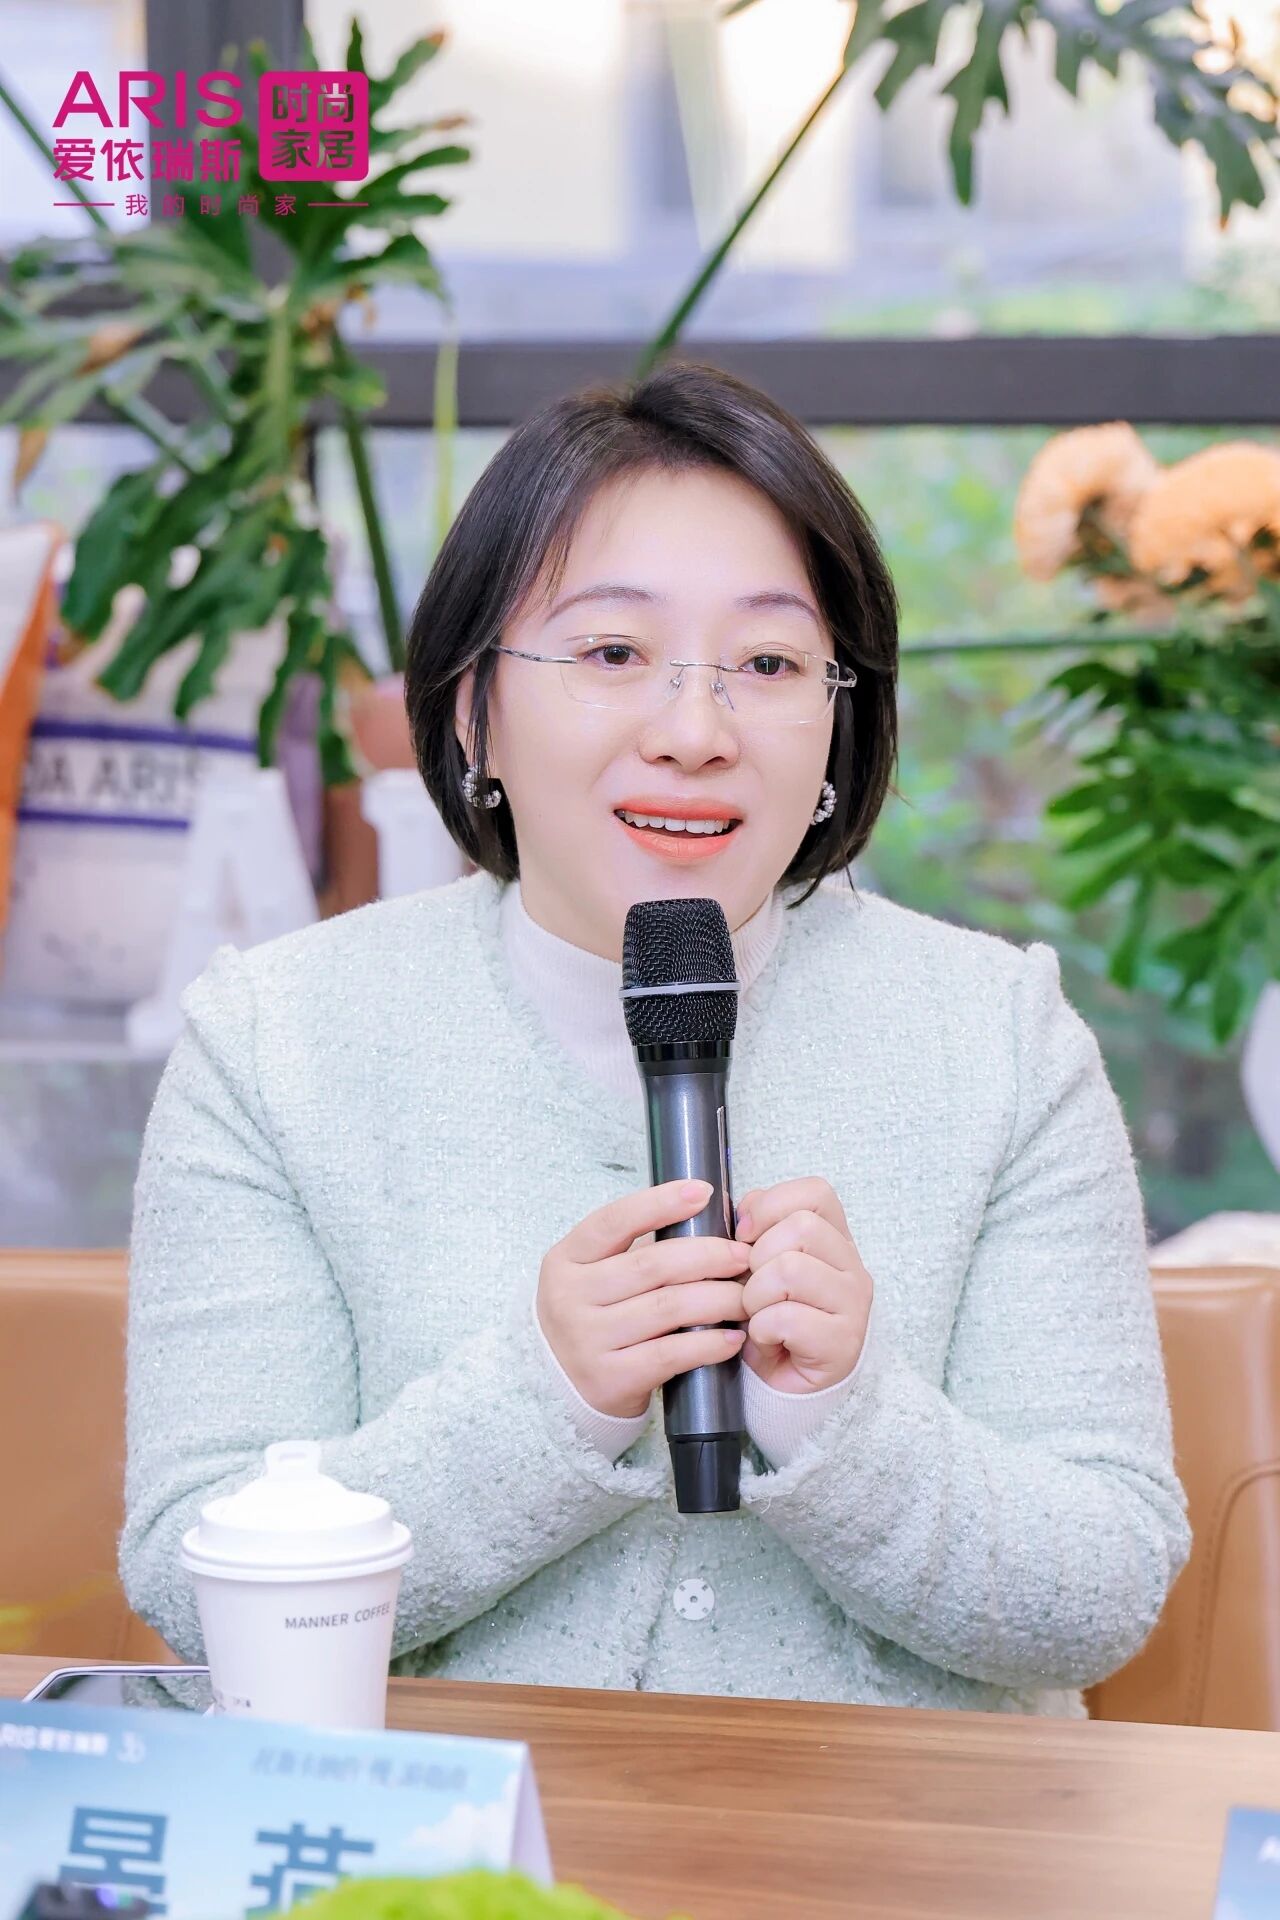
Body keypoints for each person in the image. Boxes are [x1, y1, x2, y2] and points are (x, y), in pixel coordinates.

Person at [120, 361, 1190, 1715]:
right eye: (613, 654)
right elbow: (194, 1583)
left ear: (837, 724)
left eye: (768, 664)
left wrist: (843, 1420)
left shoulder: (1001, 1038)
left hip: (900, 1829)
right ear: (471, 707)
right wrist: (546, 1401)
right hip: (464, 1828)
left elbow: (1103, 1591)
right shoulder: (275, 1043)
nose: (695, 732)